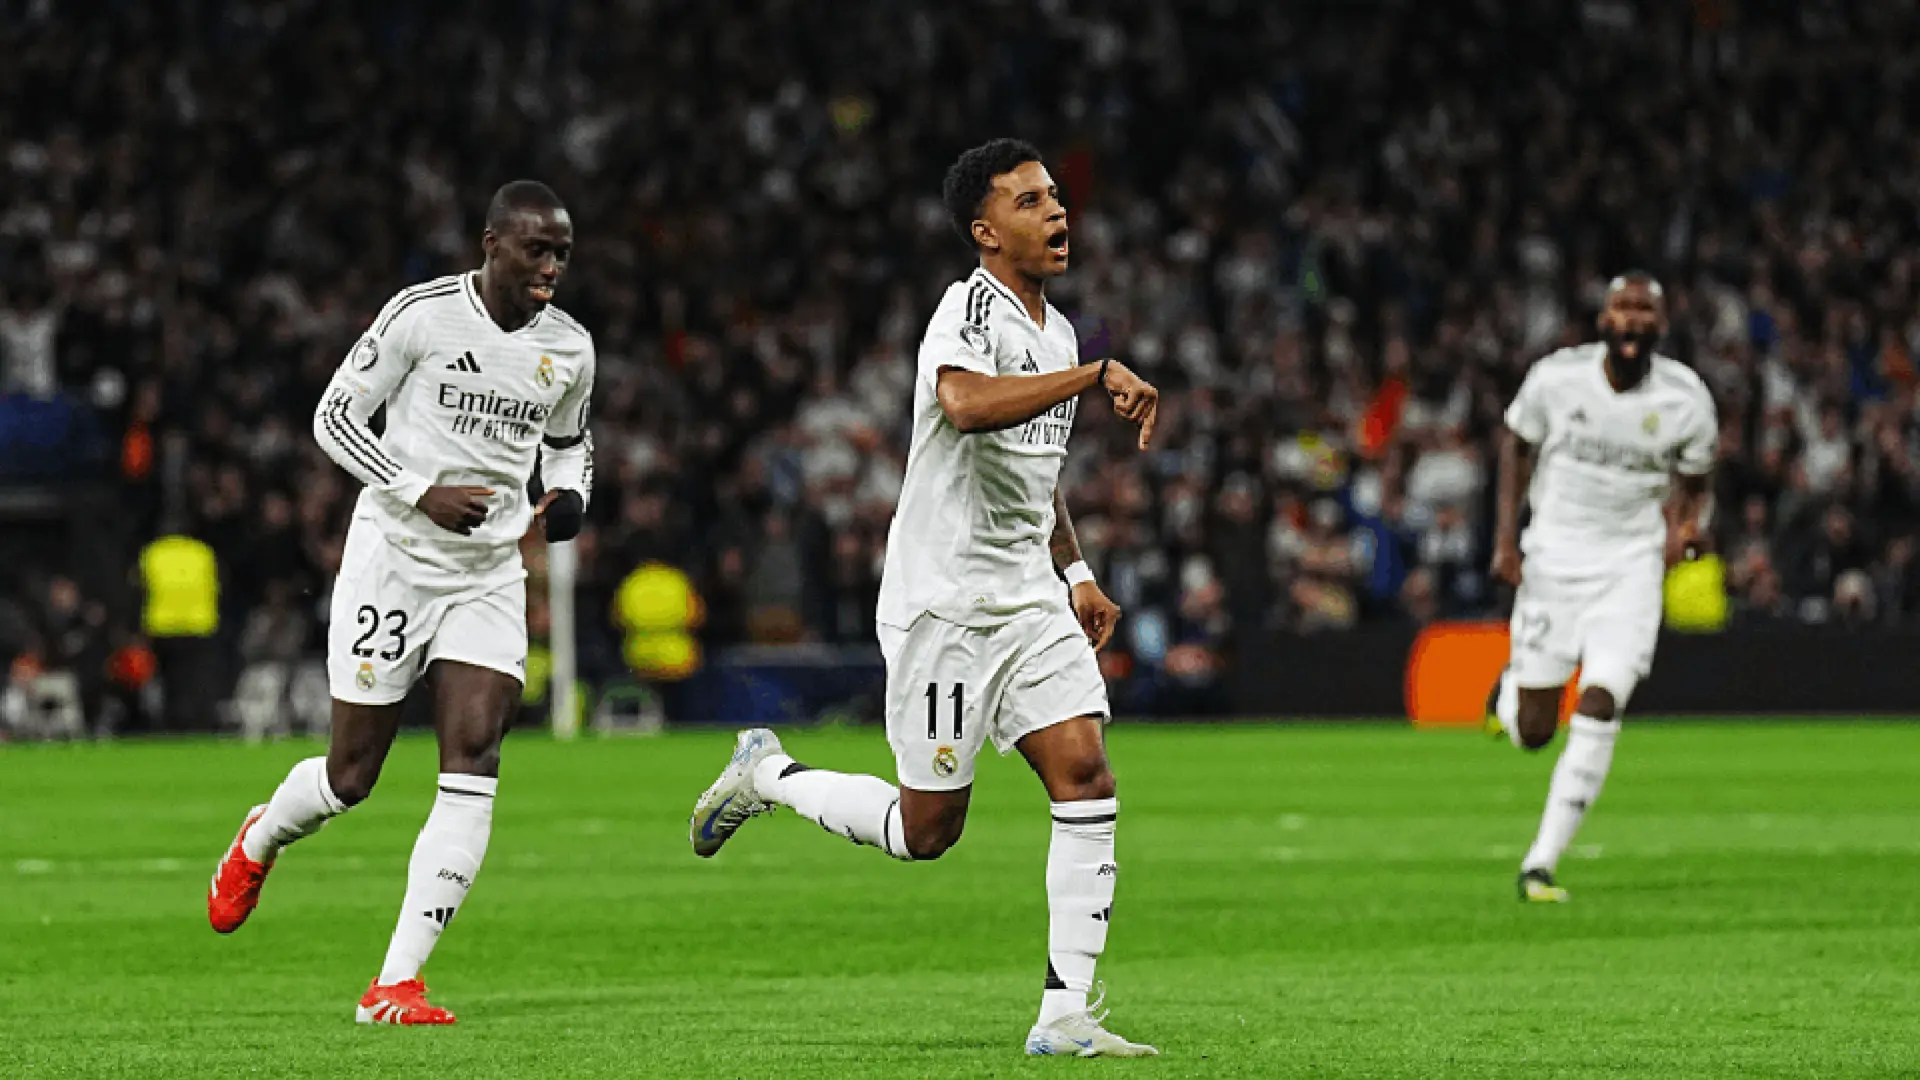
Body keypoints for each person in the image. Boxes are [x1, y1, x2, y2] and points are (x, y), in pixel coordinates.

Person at [686, 139, 1161, 1058]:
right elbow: (967, 407)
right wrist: (1099, 376)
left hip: (1027, 599)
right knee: (927, 830)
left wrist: (1076, 573)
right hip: (944, 603)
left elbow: (1038, 476)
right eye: (1030, 201)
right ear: (986, 232)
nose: (1057, 211)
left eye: (1056, 196)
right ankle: (768, 775)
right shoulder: (968, 309)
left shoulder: (1060, 334)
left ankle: (1064, 1015)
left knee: (1086, 775)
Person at [205, 181, 596, 1025]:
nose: (551, 268)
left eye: (562, 254)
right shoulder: (422, 316)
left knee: (475, 757)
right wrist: (420, 490)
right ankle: (261, 835)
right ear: (492, 244)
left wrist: (570, 497)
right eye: (537, 250)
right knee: (351, 777)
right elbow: (335, 418)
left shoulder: (569, 348)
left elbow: (571, 445)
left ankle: (395, 982)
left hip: (488, 574)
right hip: (394, 561)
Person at [1485, 272, 1717, 903]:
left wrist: (1687, 528)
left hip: (1630, 568)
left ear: (1661, 325)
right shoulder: (1557, 379)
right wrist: (1505, 540)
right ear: (1602, 321)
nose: (1632, 319)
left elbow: (1697, 483)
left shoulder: (1686, 399)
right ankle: (1507, 695)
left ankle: (1540, 863)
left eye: (1644, 310)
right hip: (1553, 560)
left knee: (1600, 699)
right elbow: (1516, 446)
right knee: (1534, 731)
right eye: (1622, 308)